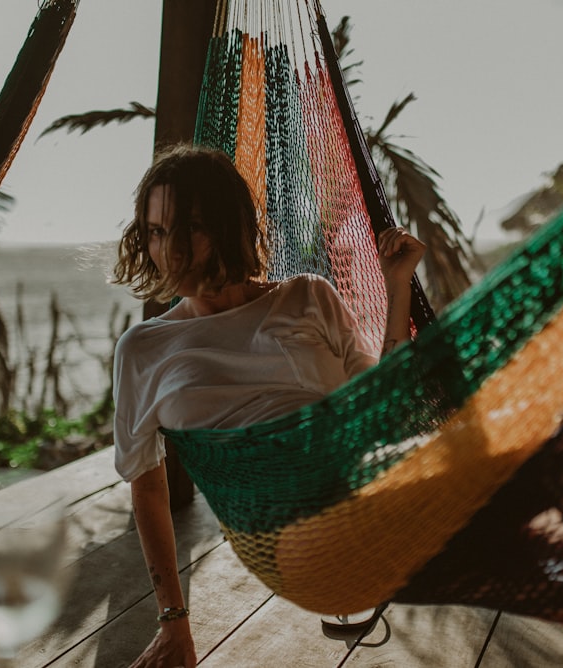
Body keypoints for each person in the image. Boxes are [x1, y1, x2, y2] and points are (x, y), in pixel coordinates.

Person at [111, 144, 425, 668]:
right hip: (287, 546)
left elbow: (383, 409)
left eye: (189, 226)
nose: (172, 250)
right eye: (157, 232)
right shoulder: (144, 349)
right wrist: (173, 620)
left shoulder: (307, 296)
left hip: (374, 501)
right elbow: (146, 484)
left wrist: (397, 289)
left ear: (229, 226)